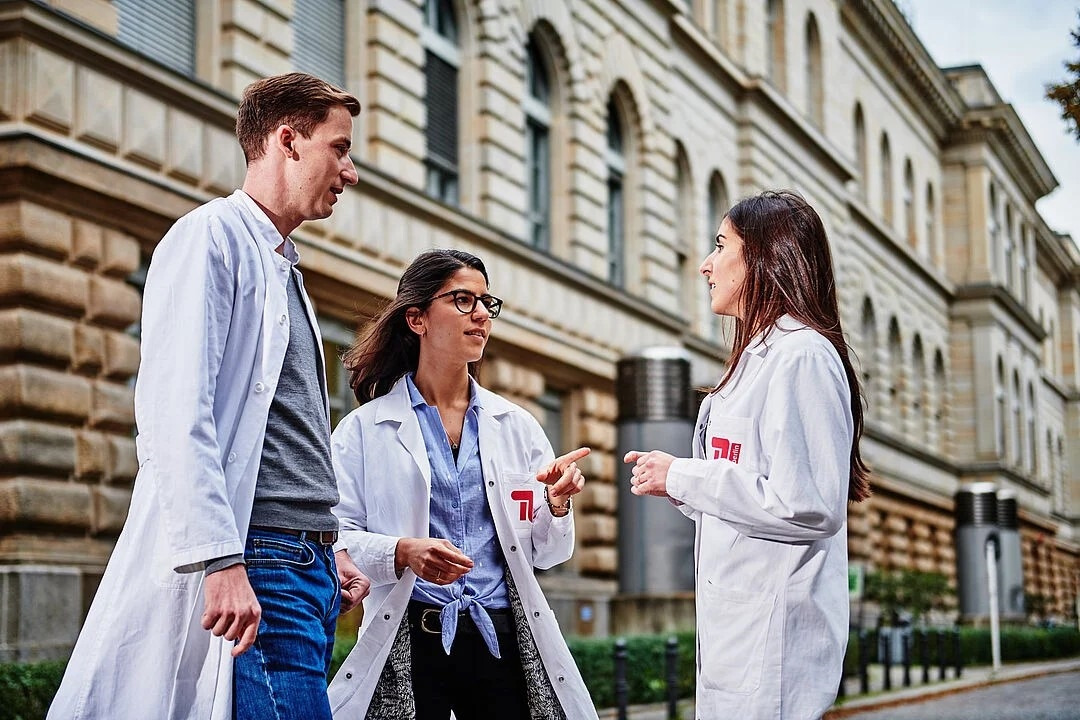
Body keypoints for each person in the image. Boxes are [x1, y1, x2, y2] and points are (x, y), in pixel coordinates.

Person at [49, 72, 371, 720]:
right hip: (259, 561)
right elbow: (174, 412)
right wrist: (221, 561)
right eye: (339, 148)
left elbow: (285, 431)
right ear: (288, 140)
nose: (351, 171)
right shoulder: (210, 238)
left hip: (302, 566)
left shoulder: (283, 265)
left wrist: (328, 545)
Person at [624, 190, 871, 720]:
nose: (705, 265)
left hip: (774, 654)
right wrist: (675, 482)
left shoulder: (801, 355)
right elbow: (744, 490)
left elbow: (807, 506)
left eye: (720, 245)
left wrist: (685, 477)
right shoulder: (755, 360)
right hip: (735, 643)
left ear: (761, 255)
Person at [326, 249, 599, 720]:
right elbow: (335, 533)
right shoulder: (363, 430)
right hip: (412, 637)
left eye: (486, 303)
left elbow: (546, 554)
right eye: (462, 300)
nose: (480, 315)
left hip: (502, 640)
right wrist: (401, 551)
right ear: (417, 318)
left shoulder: (517, 425)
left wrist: (554, 506)